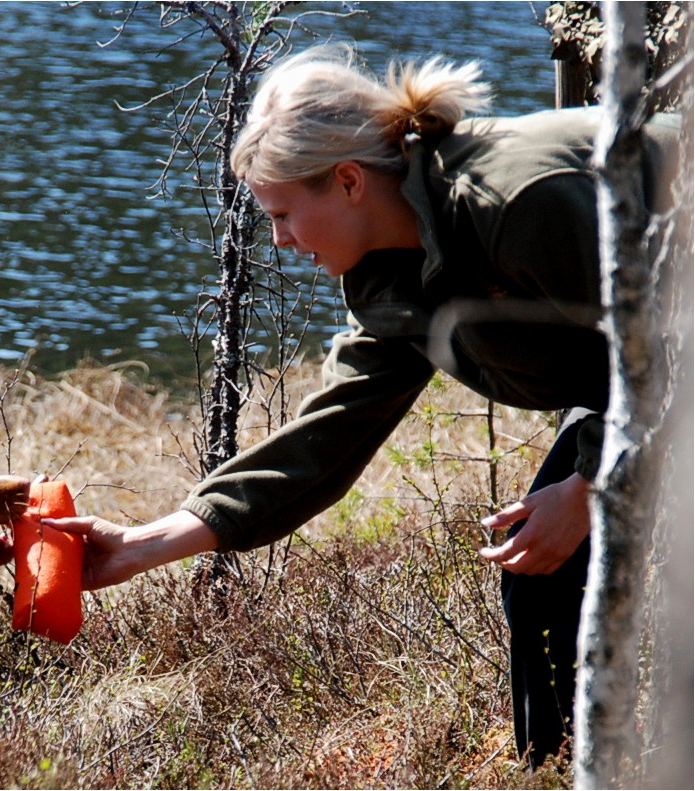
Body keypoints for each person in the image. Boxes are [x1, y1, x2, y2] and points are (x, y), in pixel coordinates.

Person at [48, 43, 679, 768]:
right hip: (634, 378)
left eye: (283, 213)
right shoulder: (395, 275)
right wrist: (139, 546)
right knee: (540, 574)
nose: (280, 240)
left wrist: (592, 485)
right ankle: (567, 772)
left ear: (348, 181)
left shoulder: (512, 202)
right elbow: (327, 436)